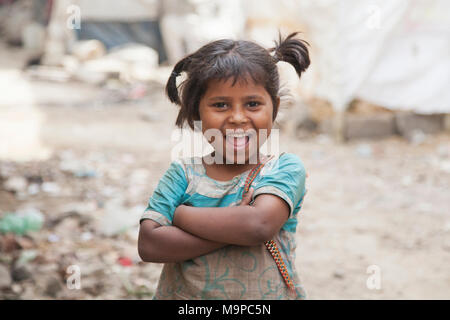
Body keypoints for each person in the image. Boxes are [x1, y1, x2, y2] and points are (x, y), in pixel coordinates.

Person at [138, 32, 310, 299]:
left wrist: (182, 216)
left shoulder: (283, 169)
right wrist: (234, 226)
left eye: (253, 104)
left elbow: (258, 226)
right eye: (220, 105)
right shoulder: (182, 174)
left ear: (274, 107)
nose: (238, 118)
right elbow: (150, 245)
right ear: (197, 112)